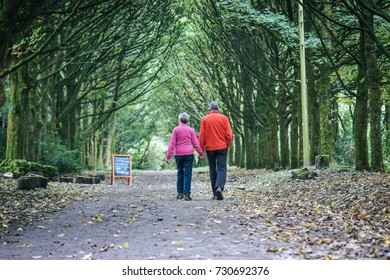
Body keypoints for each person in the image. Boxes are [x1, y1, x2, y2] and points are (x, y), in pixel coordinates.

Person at [166, 112, 204, 201]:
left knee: (180, 172)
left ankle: (180, 193)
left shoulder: (175, 130)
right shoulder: (191, 130)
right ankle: (187, 194)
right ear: (187, 120)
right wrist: (201, 153)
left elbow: (172, 143)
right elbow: (196, 143)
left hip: (178, 154)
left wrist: (168, 156)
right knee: (188, 174)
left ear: (179, 120)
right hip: (188, 154)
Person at [199, 101, 233, 200]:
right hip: (222, 147)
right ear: (218, 109)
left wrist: (201, 150)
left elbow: (202, 136)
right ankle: (219, 187)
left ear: (209, 109)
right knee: (222, 168)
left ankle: (215, 193)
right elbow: (229, 134)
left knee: (212, 170)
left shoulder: (204, 119)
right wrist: (227, 144)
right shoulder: (224, 118)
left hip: (210, 148)